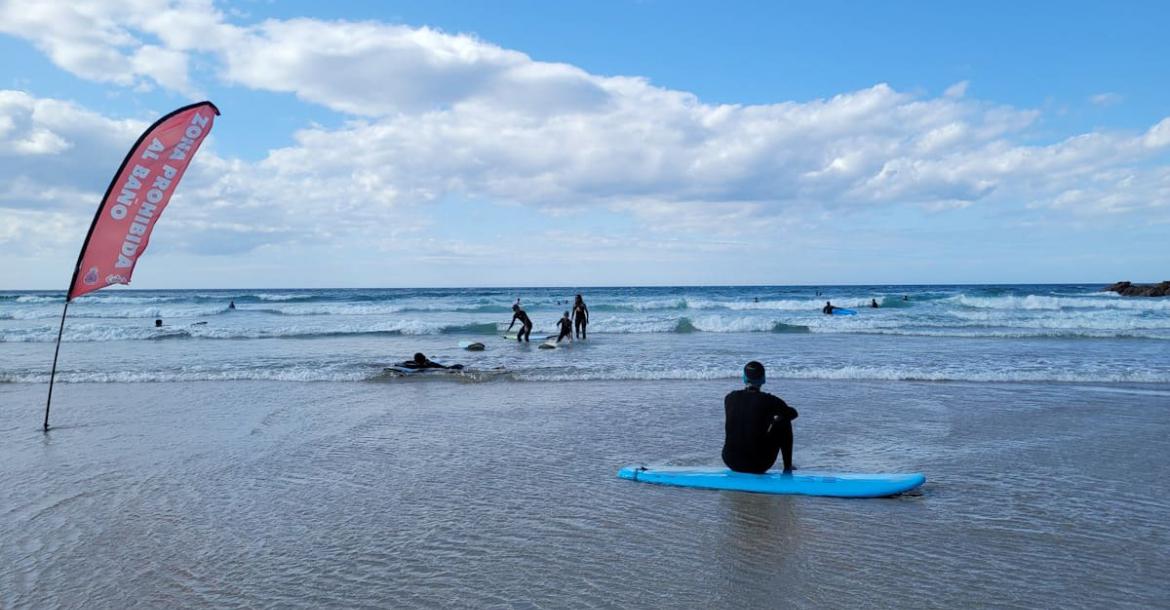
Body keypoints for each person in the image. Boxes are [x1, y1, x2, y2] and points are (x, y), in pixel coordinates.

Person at [722, 361, 799, 474]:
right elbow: (794, 413)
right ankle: (787, 467)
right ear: (763, 379)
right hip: (758, 465)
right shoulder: (770, 401)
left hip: (730, 461)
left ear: (744, 378)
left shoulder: (729, 397)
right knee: (784, 421)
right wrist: (775, 420)